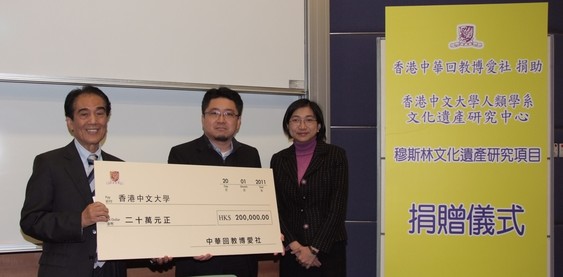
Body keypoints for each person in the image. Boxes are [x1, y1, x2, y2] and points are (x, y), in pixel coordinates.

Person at [19, 85, 126, 277]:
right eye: (84, 114)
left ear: (107, 120)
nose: (93, 121)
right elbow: (31, 221)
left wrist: (152, 253)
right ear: (70, 122)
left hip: (111, 272)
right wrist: (79, 220)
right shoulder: (49, 163)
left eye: (100, 113)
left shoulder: (120, 167)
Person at [168, 87, 261, 277]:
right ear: (203, 119)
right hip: (198, 261)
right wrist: (191, 243)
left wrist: (267, 230)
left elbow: (257, 205)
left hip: (242, 261)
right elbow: (177, 210)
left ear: (239, 121)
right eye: (214, 113)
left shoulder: (251, 155)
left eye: (229, 114)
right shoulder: (181, 154)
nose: (221, 120)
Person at [270, 99, 349, 277]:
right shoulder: (279, 160)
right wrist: (295, 246)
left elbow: (337, 207)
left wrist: (313, 249)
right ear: (288, 126)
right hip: (293, 251)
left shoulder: (335, 155)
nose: (302, 125)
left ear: (319, 125)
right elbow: (275, 206)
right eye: (296, 120)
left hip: (328, 249)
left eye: (309, 120)